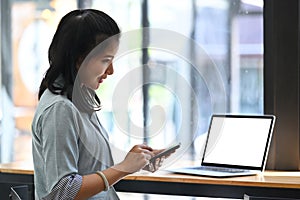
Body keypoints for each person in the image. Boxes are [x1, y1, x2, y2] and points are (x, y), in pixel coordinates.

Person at [31, 9, 168, 200]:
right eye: (106, 61)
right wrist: (122, 168)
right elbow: (62, 191)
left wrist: (134, 161)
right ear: (79, 60)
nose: (111, 71)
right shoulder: (59, 109)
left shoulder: (78, 100)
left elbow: (87, 169)